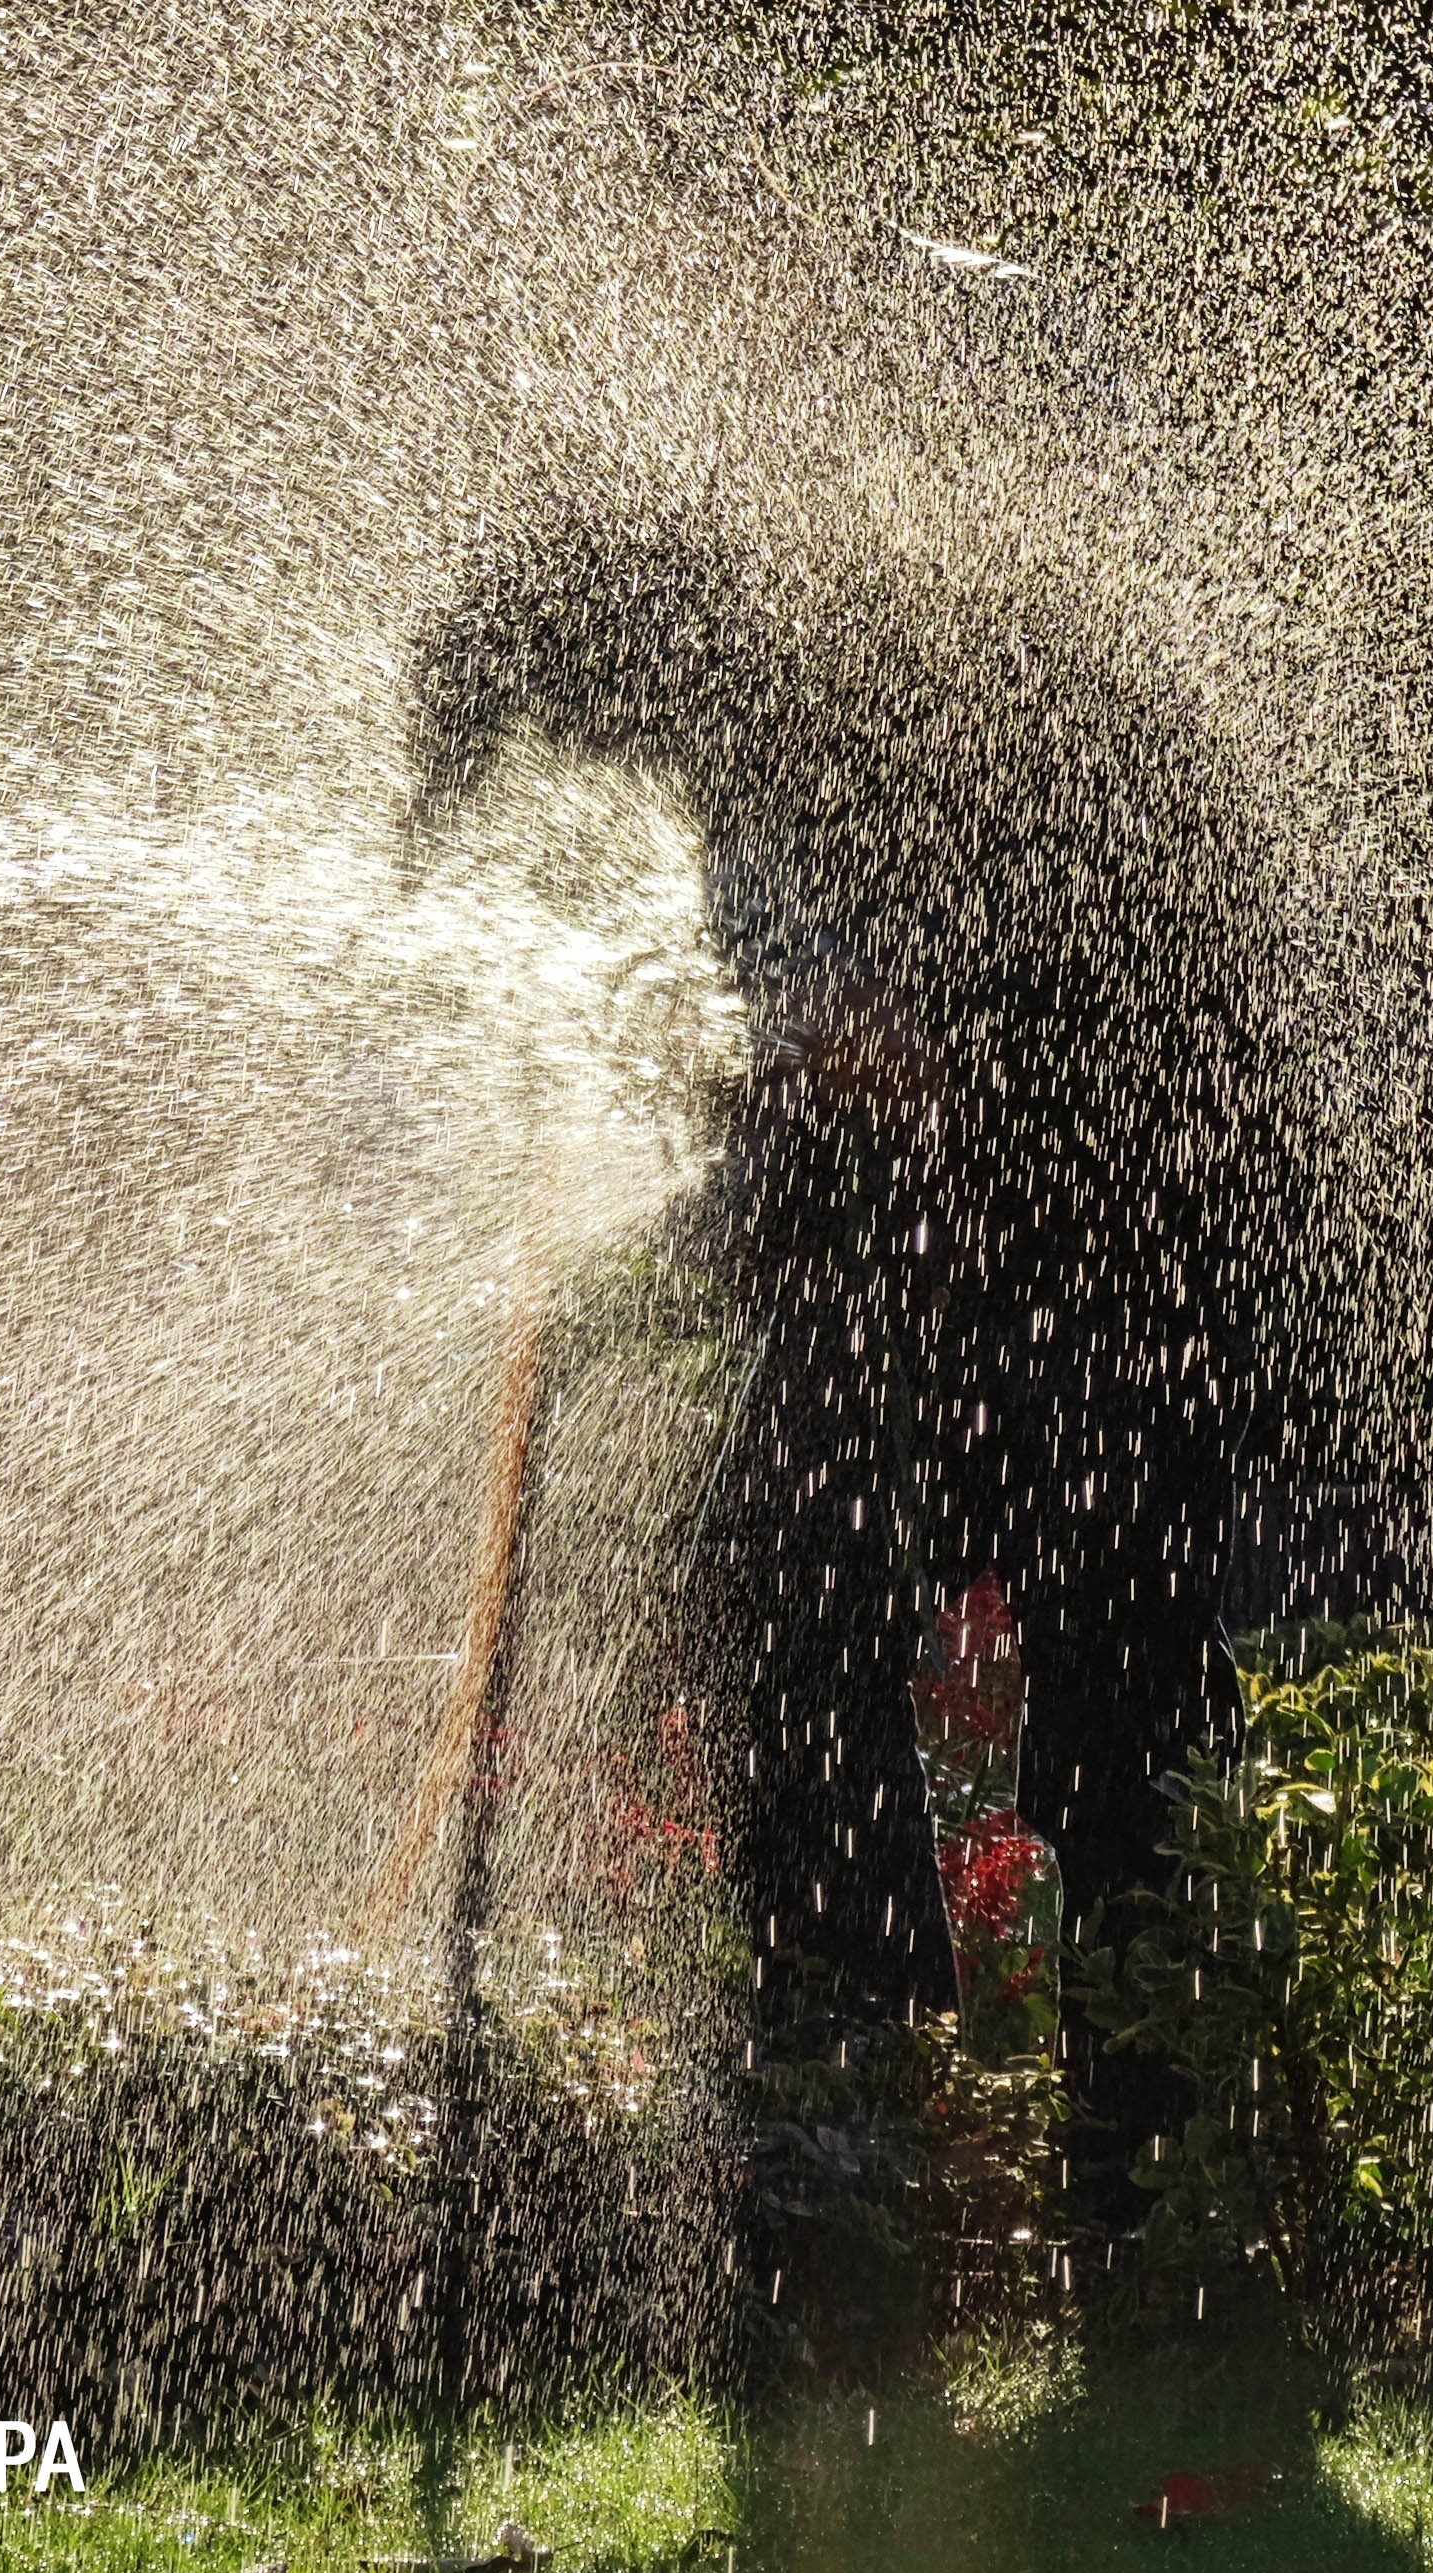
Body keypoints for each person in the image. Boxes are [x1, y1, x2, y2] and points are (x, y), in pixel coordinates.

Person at [402, 511, 1306, 2222]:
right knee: (782, 1630)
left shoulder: (854, 716)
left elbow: (883, 1051)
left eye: (581, 728)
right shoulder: (785, 722)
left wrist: (748, 1095)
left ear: (637, 671)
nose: (598, 763)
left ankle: (1123, 2163)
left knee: (1098, 1706)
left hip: (1074, 1286)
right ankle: (871, 2113)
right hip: (929, 1290)